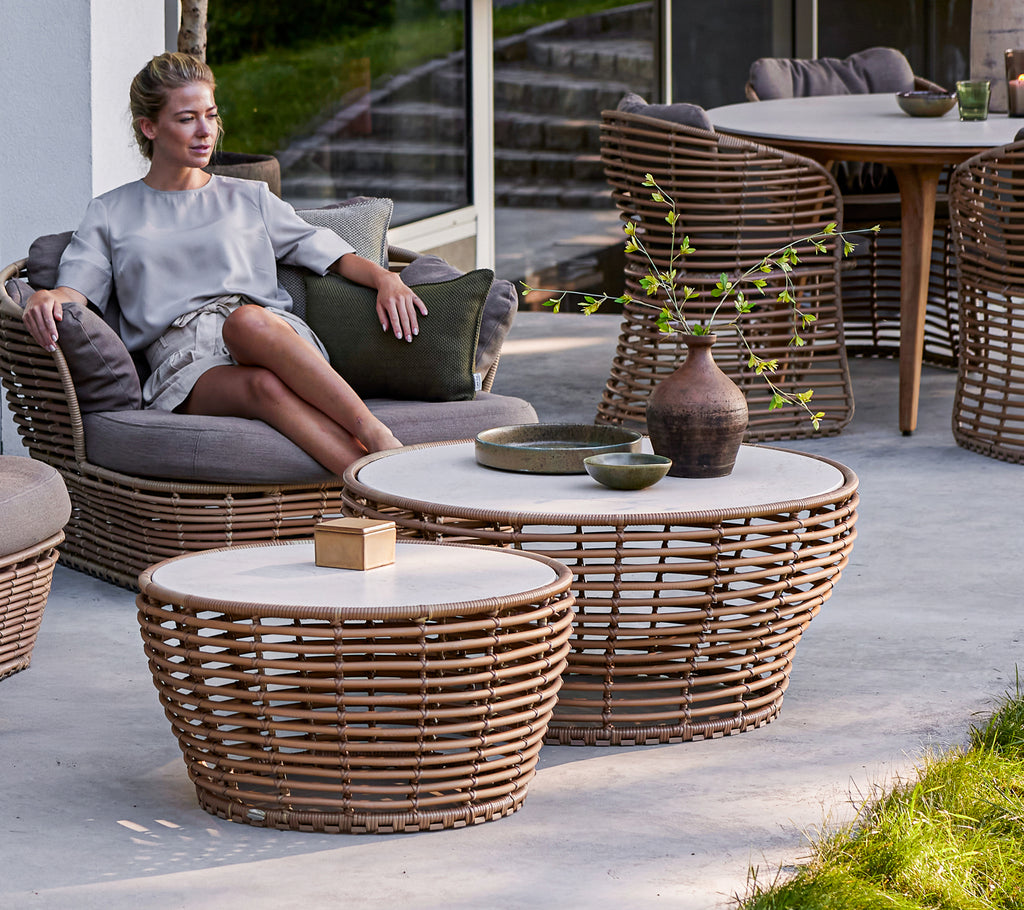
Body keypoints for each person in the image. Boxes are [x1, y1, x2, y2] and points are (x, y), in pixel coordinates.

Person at [22, 52, 427, 476]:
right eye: (186, 119)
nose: (205, 132)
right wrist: (48, 295)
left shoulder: (248, 197)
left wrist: (385, 279)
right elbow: (77, 290)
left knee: (247, 323)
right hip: (186, 363)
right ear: (149, 127)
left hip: (271, 339)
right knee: (260, 386)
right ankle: (382, 484)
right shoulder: (110, 211)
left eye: (211, 115)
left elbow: (327, 250)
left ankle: (379, 444)